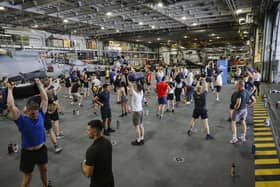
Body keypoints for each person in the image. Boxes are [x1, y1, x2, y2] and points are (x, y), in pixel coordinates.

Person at [7, 79, 52, 187]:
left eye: (36, 113)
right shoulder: (21, 120)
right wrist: (9, 90)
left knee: (44, 169)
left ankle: (46, 185)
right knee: (28, 177)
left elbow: (45, 99)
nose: (35, 116)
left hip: (41, 149)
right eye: (32, 114)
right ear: (26, 111)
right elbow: (11, 106)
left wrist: (40, 85)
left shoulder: (41, 114)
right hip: (28, 153)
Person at [82, 119, 114, 187]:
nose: (87, 132)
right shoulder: (108, 142)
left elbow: (88, 174)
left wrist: (83, 165)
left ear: (95, 132)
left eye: (88, 130)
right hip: (110, 181)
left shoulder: (91, 150)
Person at [128, 81, 145, 145]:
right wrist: (137, 83)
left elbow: (131, 87)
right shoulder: (141, 92)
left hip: (136, 112)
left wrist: (130, 82)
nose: (135, 88)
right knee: (141, 125)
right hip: (141, 111)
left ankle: (138, 140)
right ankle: (142, 138)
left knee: (137, 127)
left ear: (137, 88)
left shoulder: (136, 94)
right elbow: (133, 88)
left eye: (136, 87)